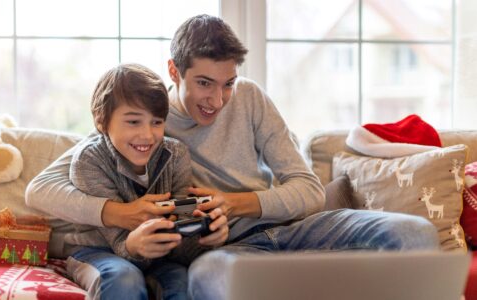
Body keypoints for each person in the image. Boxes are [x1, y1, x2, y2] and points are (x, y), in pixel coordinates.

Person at [26, 14, 439, 300]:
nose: (218, 100)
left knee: (412, 233)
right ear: (174, 71)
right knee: (205, 280)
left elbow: (308, 190)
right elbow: (43, 188)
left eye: (227, 83)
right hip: (229, 250)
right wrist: (119, 212)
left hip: (294, 230)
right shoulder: (146, 123)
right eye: (204, 83)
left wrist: (235, 203)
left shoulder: (249, 98)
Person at [52, 63, 228, 300]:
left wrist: (207, 235)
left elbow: (181, 229)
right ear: (102, 122)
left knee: (183, 283)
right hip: (97, 251)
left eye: (156, 122)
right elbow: (119, 242)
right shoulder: (89, 161)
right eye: (134, 122)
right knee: (123, 279)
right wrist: (134, 247)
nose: (147, 135)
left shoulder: (176, 155)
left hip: (160, 256)